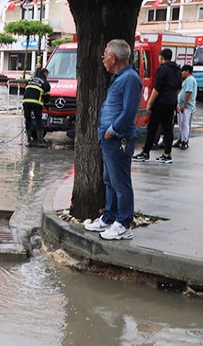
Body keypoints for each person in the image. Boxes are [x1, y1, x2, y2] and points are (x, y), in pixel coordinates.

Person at [84, 39, 142, 240]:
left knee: (121, 182)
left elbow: (129, 111)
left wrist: (112, 131)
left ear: (114, 58)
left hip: (118, 138)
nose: (103, 59)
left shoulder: (130, 79)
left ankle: (124, 223)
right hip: (109, 138)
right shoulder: (119, 77)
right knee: (110, 180)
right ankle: (109, 218)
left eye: (105, 55)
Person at [132, 49, 181, 164]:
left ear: (161, 57)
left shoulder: (162, 70)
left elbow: (157, 88)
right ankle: (167, 154)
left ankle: (145, 153)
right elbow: (179, 87)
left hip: (161, 103)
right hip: (171, 102)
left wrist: (149, 103)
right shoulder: (177, 70)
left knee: (152, 127)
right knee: (168, 128)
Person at [22, 68, 51, 147]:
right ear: (45, 74)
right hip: (36, 103)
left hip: (26, 102)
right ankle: (40, 142)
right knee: (39, 121)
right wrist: (47, 106)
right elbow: (47, 97)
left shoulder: (30, 80)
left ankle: (29, 141)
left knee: (28, 120)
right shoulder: (45, 83)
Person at [174, 65, 197, 150]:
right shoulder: (187, 80)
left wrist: (184, 105)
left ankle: (184, 141)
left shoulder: (190, 80)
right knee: (181, 124)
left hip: (186, 107)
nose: (181, 73)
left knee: (185, 124)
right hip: (182, 106)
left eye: (183, 71)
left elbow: (188, 92)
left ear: (187, 71)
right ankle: (181, 139)